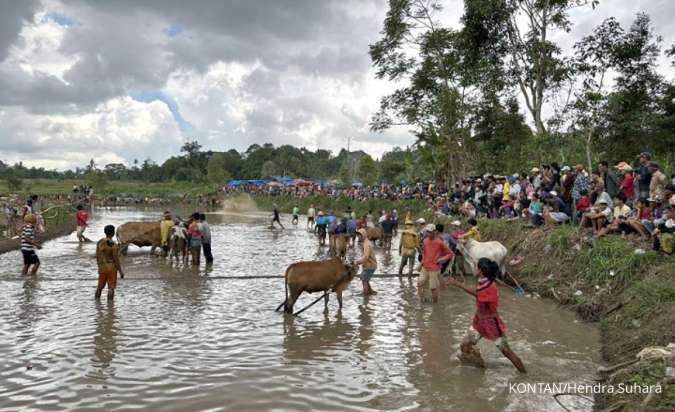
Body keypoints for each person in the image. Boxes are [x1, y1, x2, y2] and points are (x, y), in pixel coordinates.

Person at [446, 258, 527, 373]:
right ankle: (479, 366)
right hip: (479, 322)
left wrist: (458, 284)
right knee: (464, 345)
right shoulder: (485, 281)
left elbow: (476, 293)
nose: (474, 268)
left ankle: (524, 374)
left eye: (476, 266)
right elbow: (478, 291)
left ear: (481, 271)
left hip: (491, 324)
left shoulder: (488, 286)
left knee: (507, 352)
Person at [418, 224, 453, 303]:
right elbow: (424, 253)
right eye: (427, 232)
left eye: (430, 232)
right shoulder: (425, 241)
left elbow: (450, 253)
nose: (428, 233)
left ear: (434, 232)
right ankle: (421, 301)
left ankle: (435, 306)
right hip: (425, 267)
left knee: (433, 288)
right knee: (419, 284)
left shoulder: (440, 242)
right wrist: (421, 263)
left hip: (434, 268)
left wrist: (441, 259)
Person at [95, 224, 125, 300]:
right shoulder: (114, 245)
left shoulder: (99, 242)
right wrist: (120, 271)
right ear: (113, 233)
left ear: (105, 232)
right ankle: (110, 306)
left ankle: (97, 303)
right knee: (111, 288)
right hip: (111, 269)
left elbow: (97, 255)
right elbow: (116, 259)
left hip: (102, 268)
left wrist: (99, 266)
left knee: (99, 287)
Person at [356, 228, 377, 296]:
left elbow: (366, 257)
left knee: (364, 280)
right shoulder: (365, 242)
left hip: (370, 265)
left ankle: (365, 295)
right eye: (358, 235)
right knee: (364, 278)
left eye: (359, 235)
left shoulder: (367, 244)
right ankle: (371, 292)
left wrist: (358, 262)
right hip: (369, 265)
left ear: (363, 235)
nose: (358, 237)